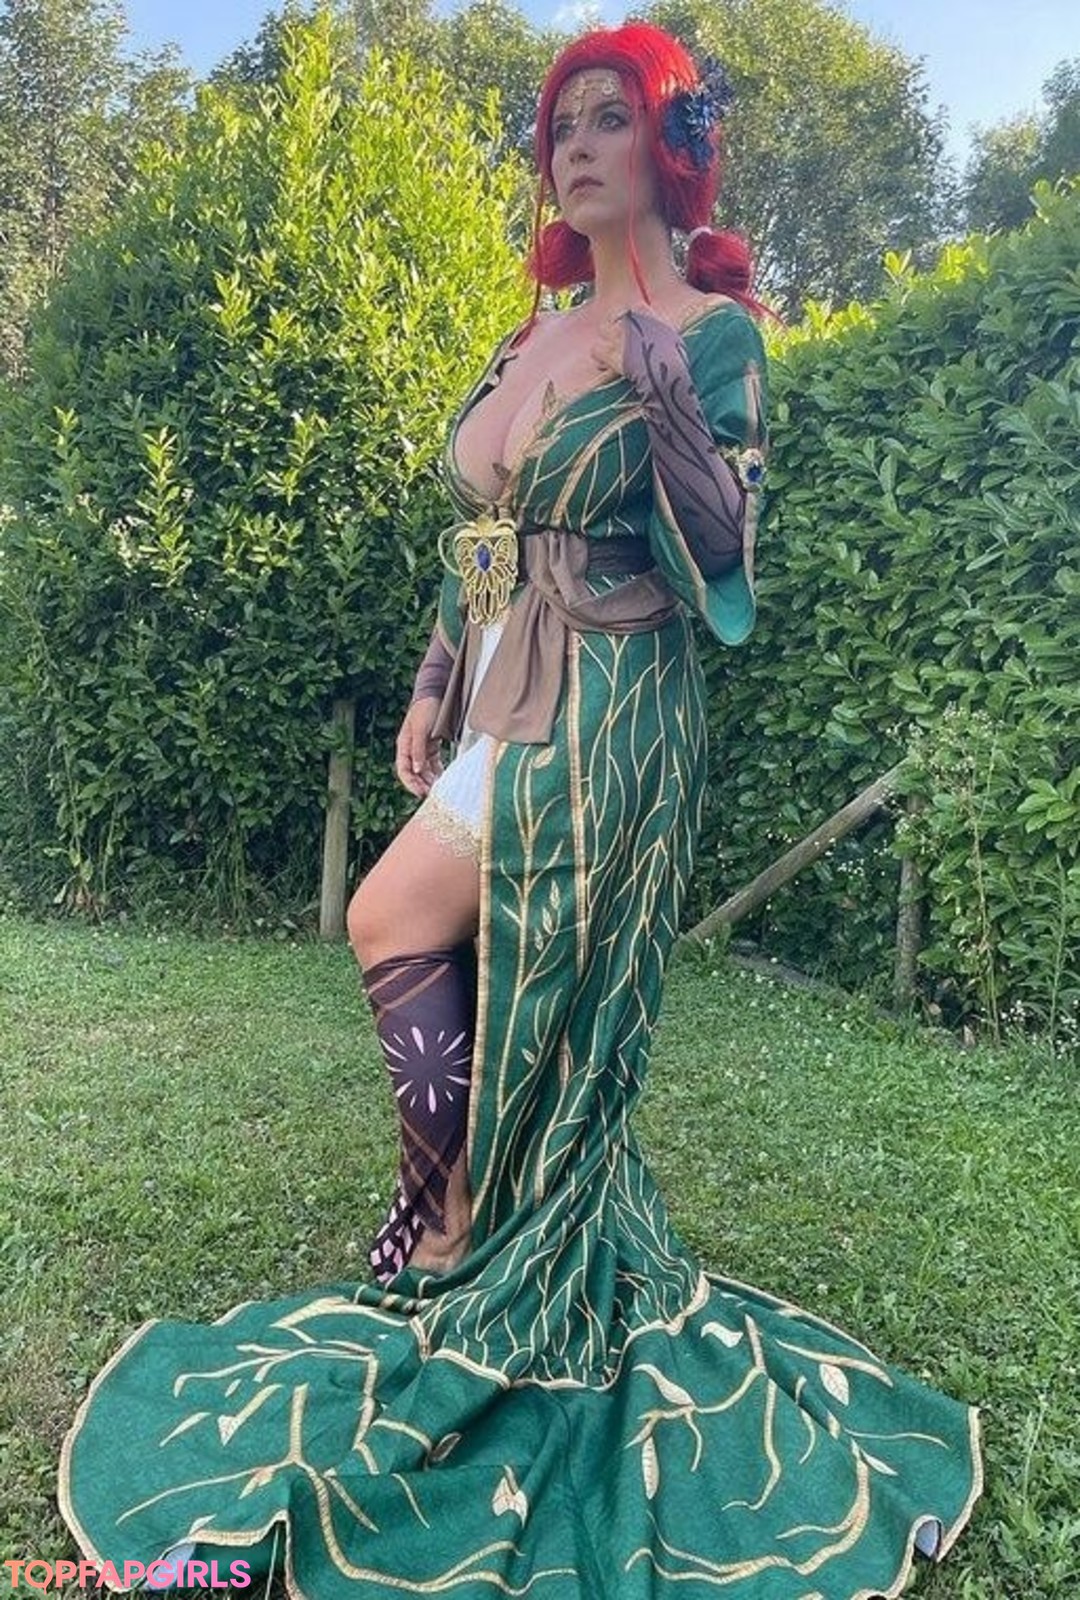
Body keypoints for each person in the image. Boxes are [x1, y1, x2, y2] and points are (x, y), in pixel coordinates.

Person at [60, 24, 981, 1598]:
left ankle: (474, 1230)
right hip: (506, 693)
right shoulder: (535, 330)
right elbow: (489, 534)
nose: (576, 150)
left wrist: (670, 410)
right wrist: (437, 677)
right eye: (561, 127)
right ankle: (458, 1209)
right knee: (407, 926)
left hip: (617, 703)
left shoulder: (714, 337)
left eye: (610, 120)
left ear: (671, 147)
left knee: (497, 967)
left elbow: (727, 557)